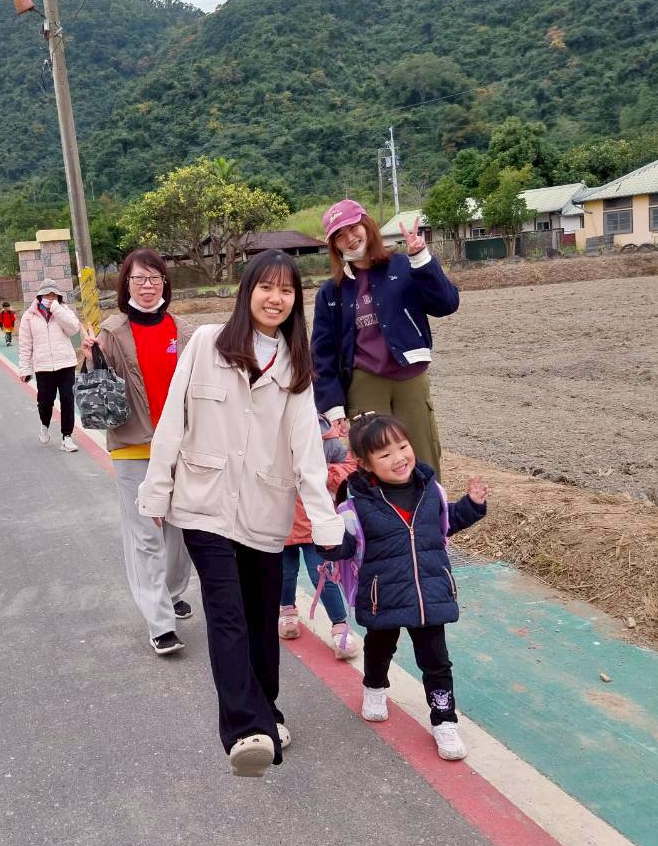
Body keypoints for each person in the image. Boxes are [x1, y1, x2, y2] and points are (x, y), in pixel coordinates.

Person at [138, 250, 345, 778]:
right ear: (247, 291)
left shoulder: (296, 366)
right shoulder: (207, 344)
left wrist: (324, 519)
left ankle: (267, 708)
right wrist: (156, 491)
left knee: (258, 617)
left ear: (296, 301)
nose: (275, 299)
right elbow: (173, 419)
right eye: (265, 287)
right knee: (226, 611)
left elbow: (307, 451)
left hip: (264, 509)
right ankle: (244, 730)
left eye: (286, 290)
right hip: (202, 503)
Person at [336, 412, 488, 761]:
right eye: (385, 454)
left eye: (403, 446)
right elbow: (345, 547)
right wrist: (327, 539)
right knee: (379, 648)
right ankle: (375, 687)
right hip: (383, 596)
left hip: (429, 594)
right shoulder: (358, 504)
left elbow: (445, 524)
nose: (399, 457)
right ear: (365, 464)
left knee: (437, 662)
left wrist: (472, 506)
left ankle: (444, 719)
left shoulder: (430, 490)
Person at [81, 248, 195, 656]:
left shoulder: (183, 331)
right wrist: (90, 359)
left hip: (179, 447)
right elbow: (97, 388)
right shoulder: (112, 331)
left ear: (165, 282)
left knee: (180, 530)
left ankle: (172, 592)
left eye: (155, 278)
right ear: (126, 284)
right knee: (146, 535)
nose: (148, 286)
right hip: (132, 446)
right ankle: (160, 623)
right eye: (139, 279)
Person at [312, 200, 460, 477]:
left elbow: (447, 304)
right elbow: (323, 352)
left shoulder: (404, 265)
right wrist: (332, 405)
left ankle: (431, 505)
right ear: (334, 245)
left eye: (353, 228)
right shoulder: (331, 291)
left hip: (410, 375)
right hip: (364, 381)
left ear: (367, 225)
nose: (349, 238)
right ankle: (377, 507)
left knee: (422, 454)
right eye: (339, 235)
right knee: (374, 461)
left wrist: (421, 259)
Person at [278, 416, 358, 659]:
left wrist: (326, 474)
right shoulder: (265, 427)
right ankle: (287, 610)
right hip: (279, 520)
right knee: (285, 572)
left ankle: (339, 624)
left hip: (316, 520)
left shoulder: (322, 432)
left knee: (323, 574)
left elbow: (348, 464)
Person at [17, 279, 81, 453]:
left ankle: (67, 437)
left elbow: (74, 329)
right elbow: (25, 345)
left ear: (59, 297)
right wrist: (25, 369)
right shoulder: (29, 317)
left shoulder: (63, 311)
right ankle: (44, 425)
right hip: (43, 366)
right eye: (47, 295)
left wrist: (57, 309)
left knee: (67, 399)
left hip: (66, 363)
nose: (50, 298)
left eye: (54, 295)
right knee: (45, 401)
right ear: (40, 296)